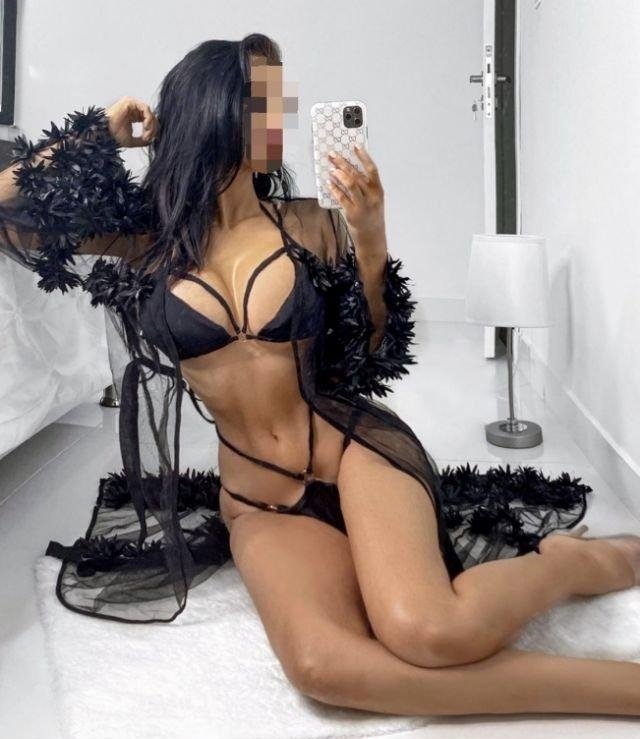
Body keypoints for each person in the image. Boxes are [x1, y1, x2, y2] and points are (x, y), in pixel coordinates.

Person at [1, 33, 639, 717]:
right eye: (264, 102)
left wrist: (371, 238)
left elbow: (373, 351)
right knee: (322, 667)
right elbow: (9, 209)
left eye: (281, 102)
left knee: (429, 630)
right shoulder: (143, 239)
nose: (281, 119)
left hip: (352, 451)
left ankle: (569, 568)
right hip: (260, 498)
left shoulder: (310, 223)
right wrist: (99, 131)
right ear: (214, 107)